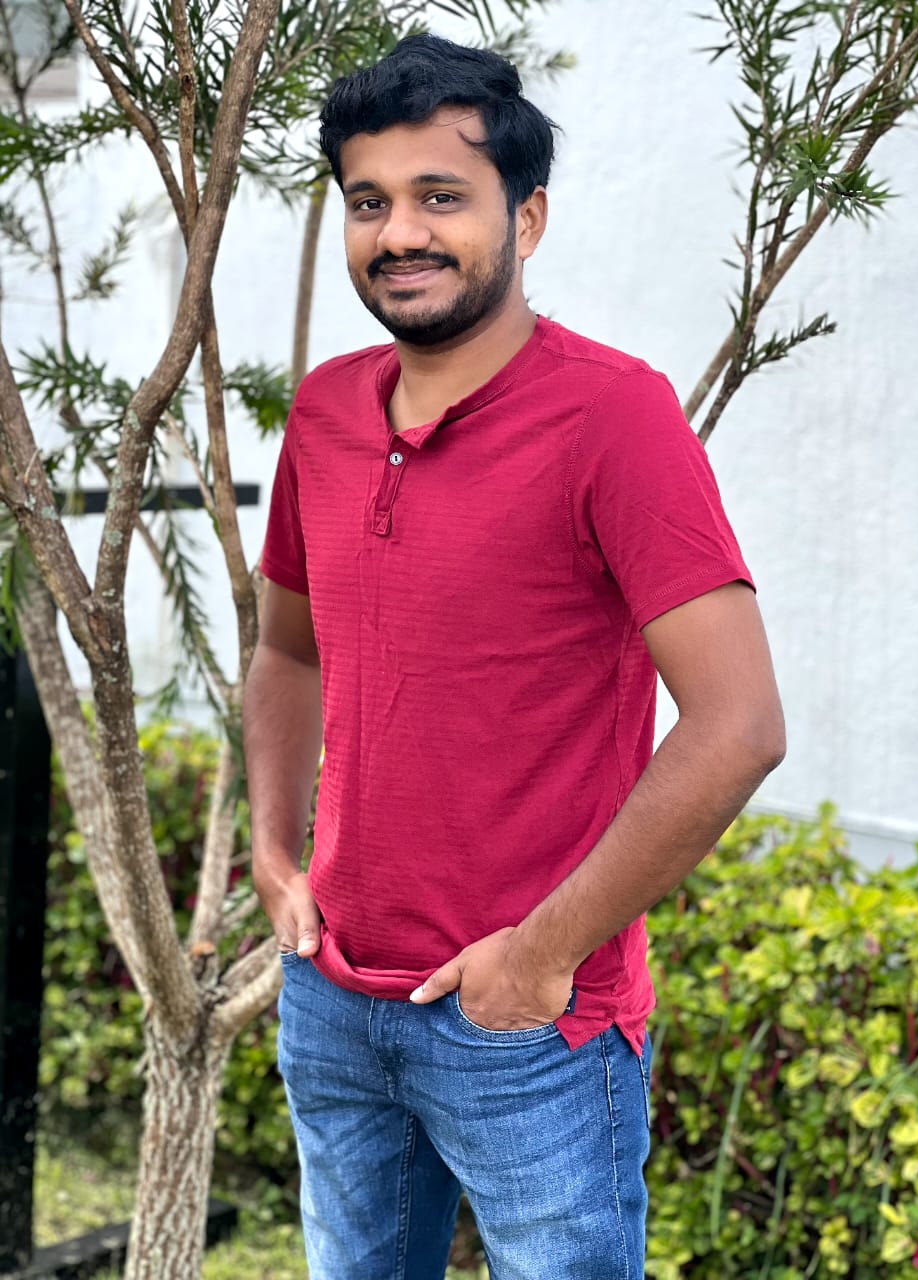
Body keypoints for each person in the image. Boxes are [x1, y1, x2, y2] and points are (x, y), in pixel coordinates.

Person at [243, 32, 785, 1280]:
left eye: (442, 196)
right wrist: (275, 853)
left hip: (529, 1027)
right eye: (369, 201)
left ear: (525, 218)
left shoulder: (614, 414)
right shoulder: (325, 411)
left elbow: (740, 723)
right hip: (334, 996)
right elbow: (286, 651)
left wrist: (539, 955)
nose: (400, 233)